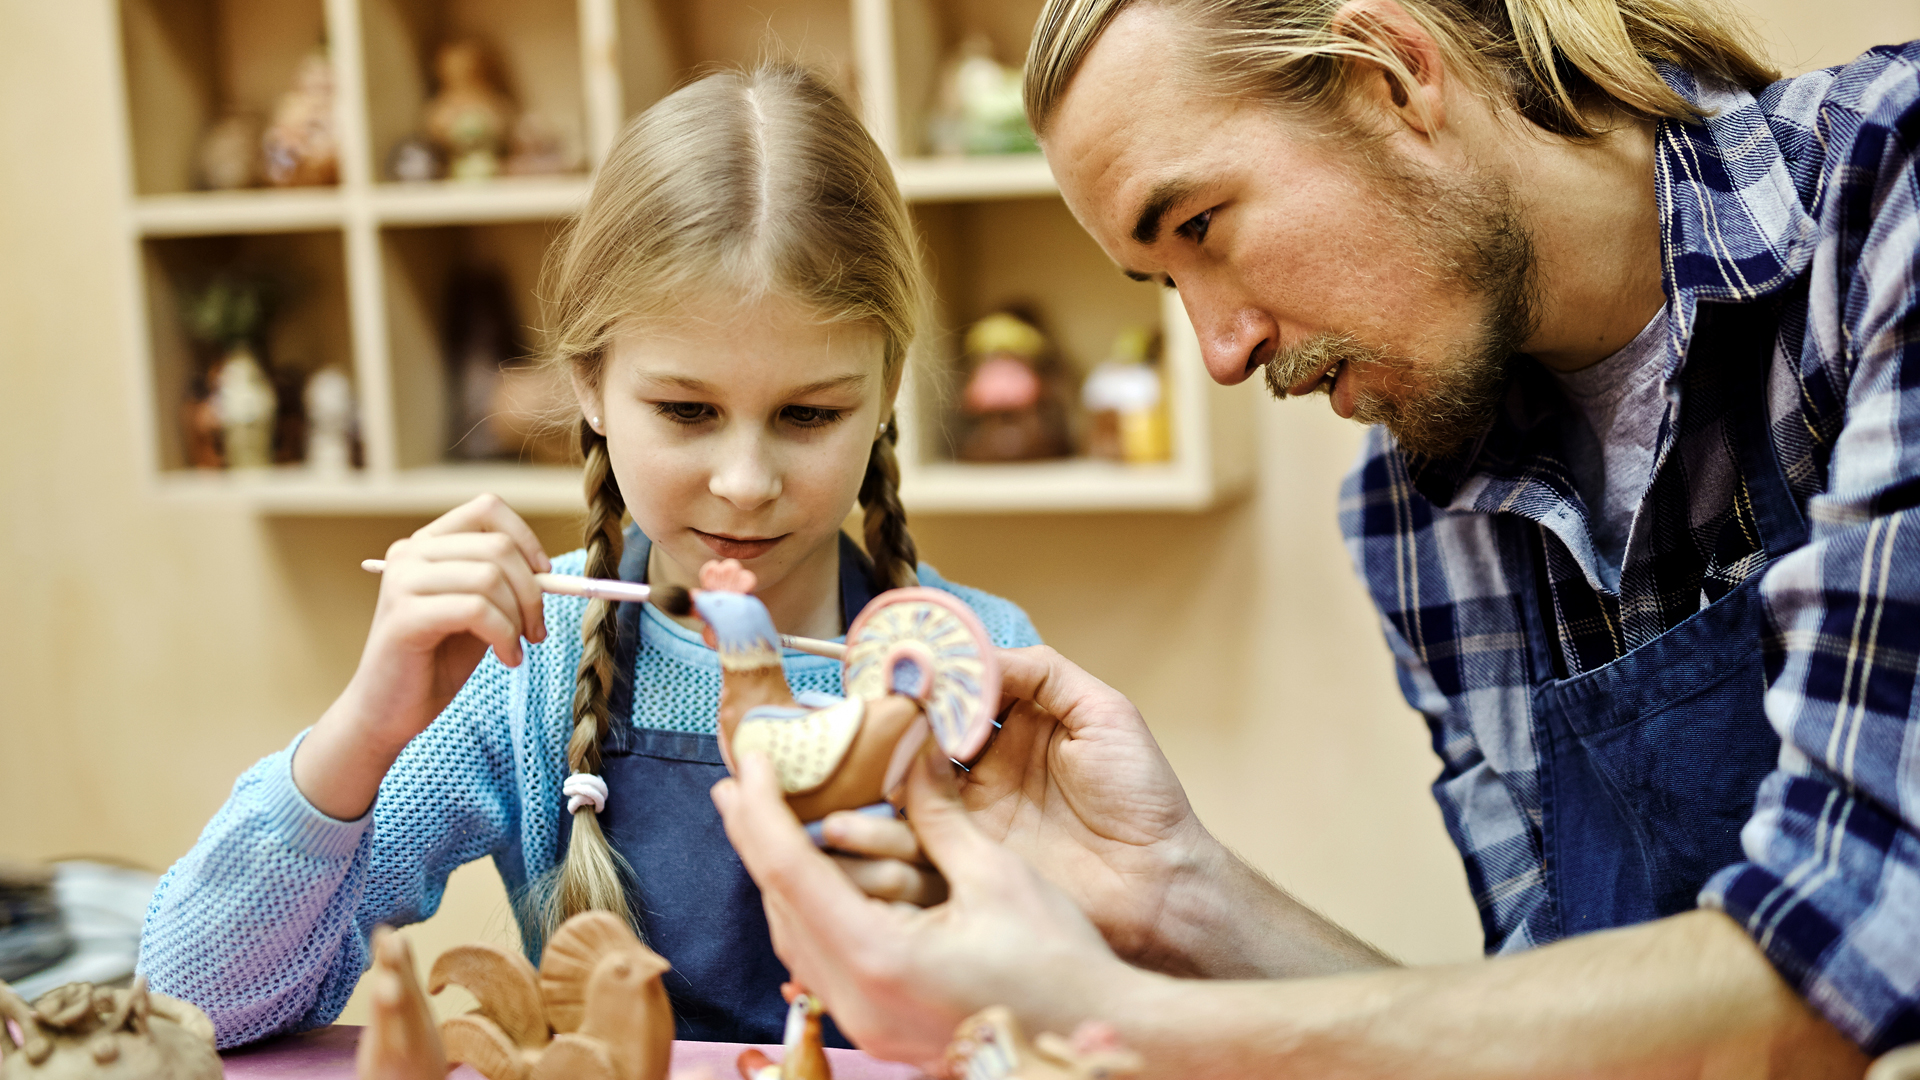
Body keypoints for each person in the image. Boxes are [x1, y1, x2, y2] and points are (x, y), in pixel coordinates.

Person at [712, 0, 1920, 1074]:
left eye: (1200, 227)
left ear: (1392, 72)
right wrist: (1171, 891)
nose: (1221, 352)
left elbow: (1825, 975)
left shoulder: (1891, 206)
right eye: (1162, 286)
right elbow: (1522, 1034)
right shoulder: (1413, 506)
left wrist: (1108, 1019)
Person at [136, 64, 1040, 1050]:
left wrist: (968, 943)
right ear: (592, 383)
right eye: (687, 411)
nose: (745, 481)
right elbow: (193, 1006)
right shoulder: (527, 663)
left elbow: (1096, 1029)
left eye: (808, 414)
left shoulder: (982, 666)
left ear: (886, 386)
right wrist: (363, 728)